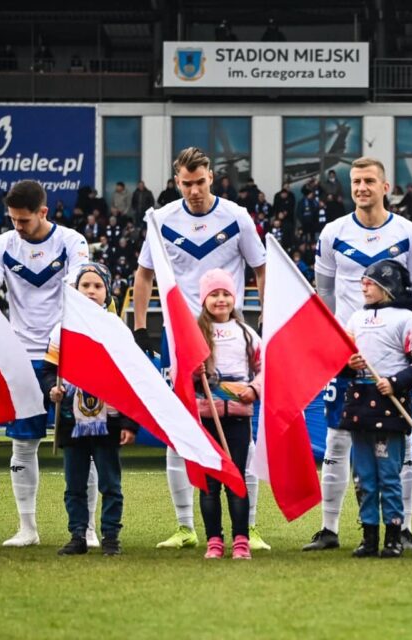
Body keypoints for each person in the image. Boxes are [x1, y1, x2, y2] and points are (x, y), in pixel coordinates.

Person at [134, 147, 268, 551]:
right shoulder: (160, 219)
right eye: (186, 183)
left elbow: (261, 268)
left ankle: (250, 527)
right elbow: (143, 275)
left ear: (212, 177)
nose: (194, 190)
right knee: (182, 434)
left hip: (233, 338)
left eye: (200, 181)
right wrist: (140, 328)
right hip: (181, 342)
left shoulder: (237, 216)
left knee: (243, 432)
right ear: (176, 181)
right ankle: (186, 526)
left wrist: (266, 317)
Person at [308, 157, 412, 552]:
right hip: (347, 354)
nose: (361, 187)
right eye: (356, 181)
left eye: (368, 181)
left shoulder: (410, 233)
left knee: (401, 442)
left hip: (392, 355)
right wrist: (339, 341)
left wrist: (393, 332)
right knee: (337, 437)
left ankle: (404, 529)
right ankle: (329, 529)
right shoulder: (332, 232)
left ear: (385, 186)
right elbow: (324, 292)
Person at [0, 179, 90, 547]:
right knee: (23, 444)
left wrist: (64, 339)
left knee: (82, 442)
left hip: (65, 355)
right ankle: (27, 528)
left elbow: (79, 290)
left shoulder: (73, 242)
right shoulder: (3, 244)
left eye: (24, 220)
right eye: (13, 219)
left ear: (44, 212)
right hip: (22, 357)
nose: (17, 226)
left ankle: (86, 528)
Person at [340, 260, 412, 558]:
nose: (363, 286)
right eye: (363, 281)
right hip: (359, 406)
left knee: (389, 475)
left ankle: (393, 535)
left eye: (370, 281)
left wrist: (395, 383)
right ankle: (368, 536)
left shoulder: (408, 319)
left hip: (390, 406)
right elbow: (341, 365)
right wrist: (349, 365)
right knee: (363, 476)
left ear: (388, 285)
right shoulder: (354, 319)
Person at [43, 264, 137, 557]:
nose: (91, 291)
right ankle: (77, 536)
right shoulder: (62, 329)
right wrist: (52, 389)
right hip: (72, 420)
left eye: (97, 286)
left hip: (108, 421)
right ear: (76, 290)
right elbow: (49, 371)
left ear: (107, 291)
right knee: (74, 485)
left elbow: (132, 380)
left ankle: (111, 537)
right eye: (86, 286)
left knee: (111, 483)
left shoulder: (117, 328)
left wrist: (128, 423)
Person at [193, 269, 262, 560]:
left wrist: (254, 390)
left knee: (236, 481)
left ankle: (241, 540)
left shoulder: (247, 333)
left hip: (237, 419)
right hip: (206, 419)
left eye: (225, 294)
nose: (220, 300)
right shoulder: (194, 333)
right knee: (209, 485)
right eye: (214, 294)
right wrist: (193, 374)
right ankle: (214, 541)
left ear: (234, 298)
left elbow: (263, 369)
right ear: (204, 299)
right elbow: (180, 376)